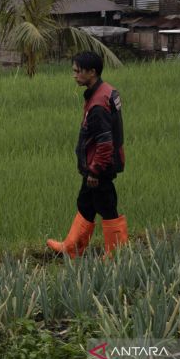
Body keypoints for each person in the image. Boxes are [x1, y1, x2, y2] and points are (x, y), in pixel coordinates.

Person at [46, 51, 128, 257]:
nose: (74, 75)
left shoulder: (99, 104)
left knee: (107, 207)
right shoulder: (105, 90)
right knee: (86, 203)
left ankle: (116, 254)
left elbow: (105, 143)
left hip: (99, 167)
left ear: (92, 72)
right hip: (96, 165)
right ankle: (72, 247)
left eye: (77, 71)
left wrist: (94, 171)